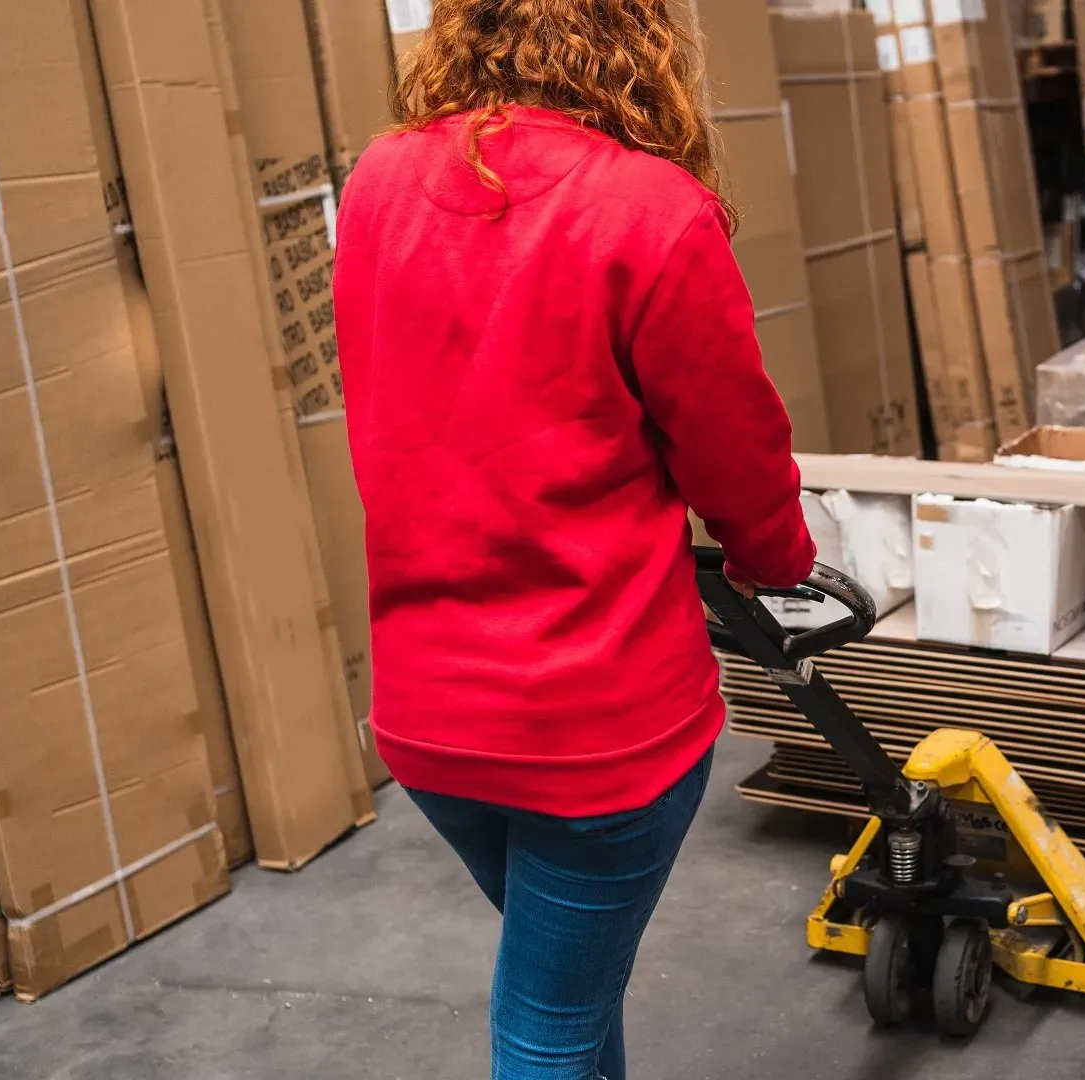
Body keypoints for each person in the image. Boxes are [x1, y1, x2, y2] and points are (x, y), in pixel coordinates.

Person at [331, 0, 817, 1075]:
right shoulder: (653, 210)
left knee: (573, 986)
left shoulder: (375, 184)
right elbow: (733, 444)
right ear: (641, 36)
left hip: (429, 719)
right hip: (597, 725)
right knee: (547, 1025)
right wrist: (777, 558)